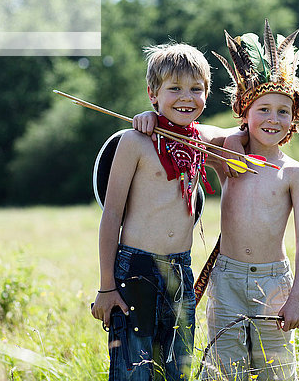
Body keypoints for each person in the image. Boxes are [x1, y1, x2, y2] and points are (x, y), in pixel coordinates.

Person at [133, 20, 299, 381]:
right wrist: (150, 117)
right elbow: (183, 130)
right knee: (222, 369)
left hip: (274, 281)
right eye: (263, 109)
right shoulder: (228, 156)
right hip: (227, 277)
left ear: (294, 119)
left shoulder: (294, 173)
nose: (273, 119)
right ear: (244, 113)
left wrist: (296, 297)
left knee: (275, 368)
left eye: (283, 111)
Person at [90, 42, 218, 381]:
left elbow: (241, 136)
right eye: (174, 88)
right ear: (152, 93)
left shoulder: (199, 139)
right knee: (134, 369)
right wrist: (106, 286)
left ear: (207, 94)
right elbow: (112, 215)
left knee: (177, 369)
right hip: (136, 268)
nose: (186, 97)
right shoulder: (135, 140)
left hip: (180, 268)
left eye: (196, 89)